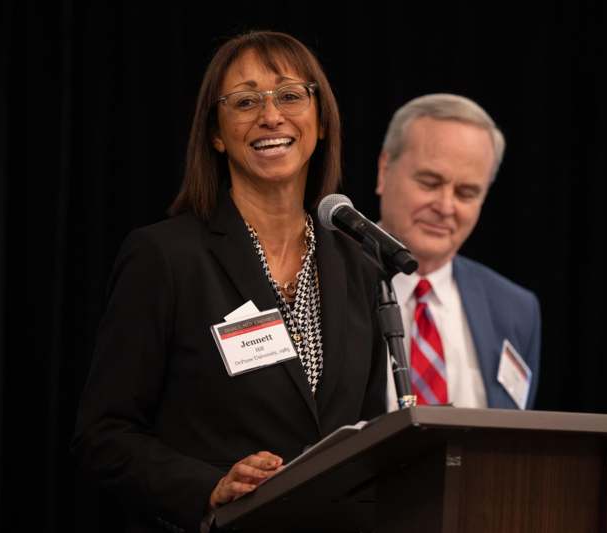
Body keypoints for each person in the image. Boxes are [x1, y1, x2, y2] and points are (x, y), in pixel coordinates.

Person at [72, 31, 387, 532]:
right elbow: (104, 436)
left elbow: (366, 442)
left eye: (289, 95)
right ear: (216, 134)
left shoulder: (360, 267)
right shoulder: (166, 257)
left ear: (321, 120)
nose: (271, 116)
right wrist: (208, 487)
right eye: (245, 102)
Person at [376, 94, 540, 411]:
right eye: (429, 182)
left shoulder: (516, 310)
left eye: (466, 193)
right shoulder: (325, 280)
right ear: (384, 171)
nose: (445, 207)